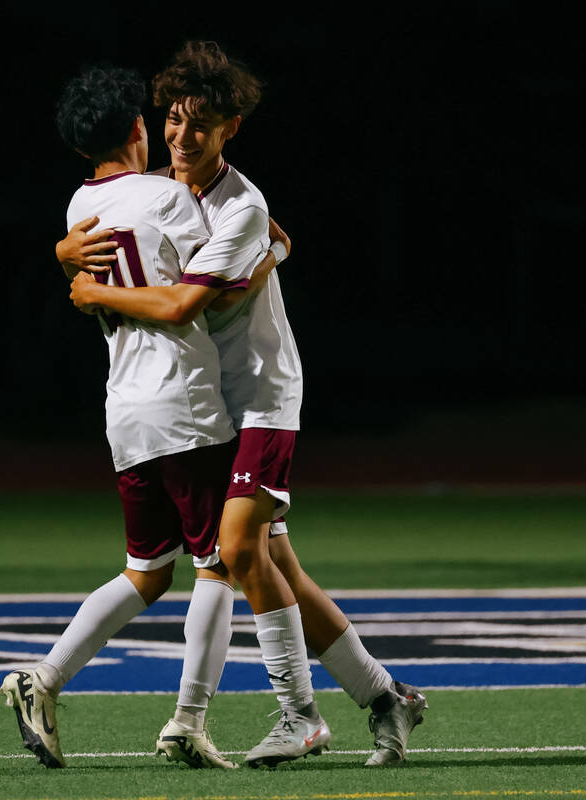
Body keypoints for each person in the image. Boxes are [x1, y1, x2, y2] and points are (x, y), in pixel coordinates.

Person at [61, 40, 428, 768]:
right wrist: (65, 253)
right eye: (172, 119)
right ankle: (389, 700)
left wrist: (94, 289)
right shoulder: (166, 192)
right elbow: (108, 234)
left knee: (234, 551)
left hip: (262, 397)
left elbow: (182, 302)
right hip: (207, 407)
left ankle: (300, 717)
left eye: (201, 124)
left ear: (232, 129)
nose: (180, 135)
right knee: (275, 568)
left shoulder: (240, 205)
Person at [0, 62, 279, 770]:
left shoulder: (75, 210)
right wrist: (272, 251)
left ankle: (43, 679)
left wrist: (70, 269)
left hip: (124, 409)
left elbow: (88, 271)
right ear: (137, 128)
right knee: (219, 567)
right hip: (184, 401)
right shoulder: (168, 199)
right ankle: (188, 720)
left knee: (149, 573)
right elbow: (209, 294)